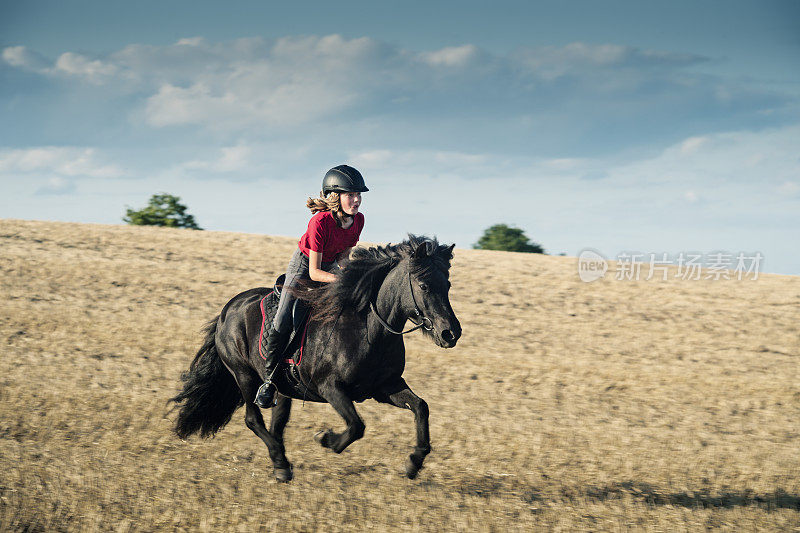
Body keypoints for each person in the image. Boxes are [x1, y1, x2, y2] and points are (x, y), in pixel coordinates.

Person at [254, 164, 368, 408]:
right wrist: (342, 280)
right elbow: (314, 272)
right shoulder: (320, 222)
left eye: (359, 195)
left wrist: (351, 278)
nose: (357, 200)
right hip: (304, 267)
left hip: (329, 267)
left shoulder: (358, 221)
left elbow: (343, 259)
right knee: (284, 318)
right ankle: (269, 380)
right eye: (351, 195)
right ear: (336, 197)